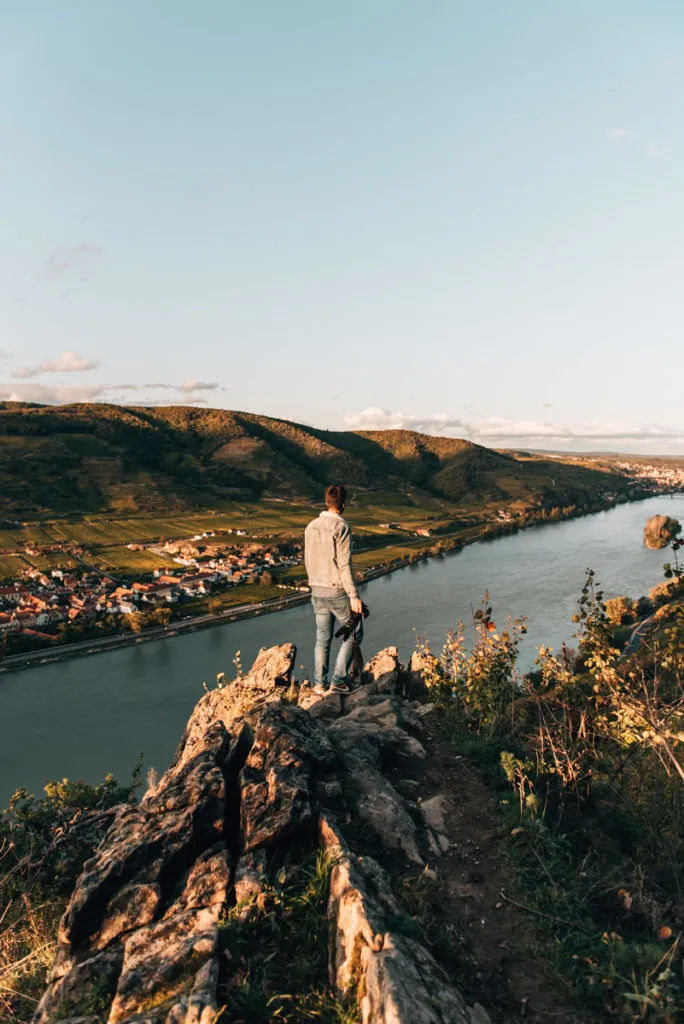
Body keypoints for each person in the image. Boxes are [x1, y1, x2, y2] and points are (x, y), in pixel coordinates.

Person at [304, 484, 363, 694]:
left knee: (322, 637)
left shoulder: (311, 526)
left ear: (326, 502)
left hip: (316, 589)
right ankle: (338, 680)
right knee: (354, 632)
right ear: (343, 504)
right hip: (336, 590)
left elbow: (307, 560)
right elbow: (344, 565)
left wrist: (313, 582)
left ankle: (319, 684)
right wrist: (354, 596)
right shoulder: (342, 527)